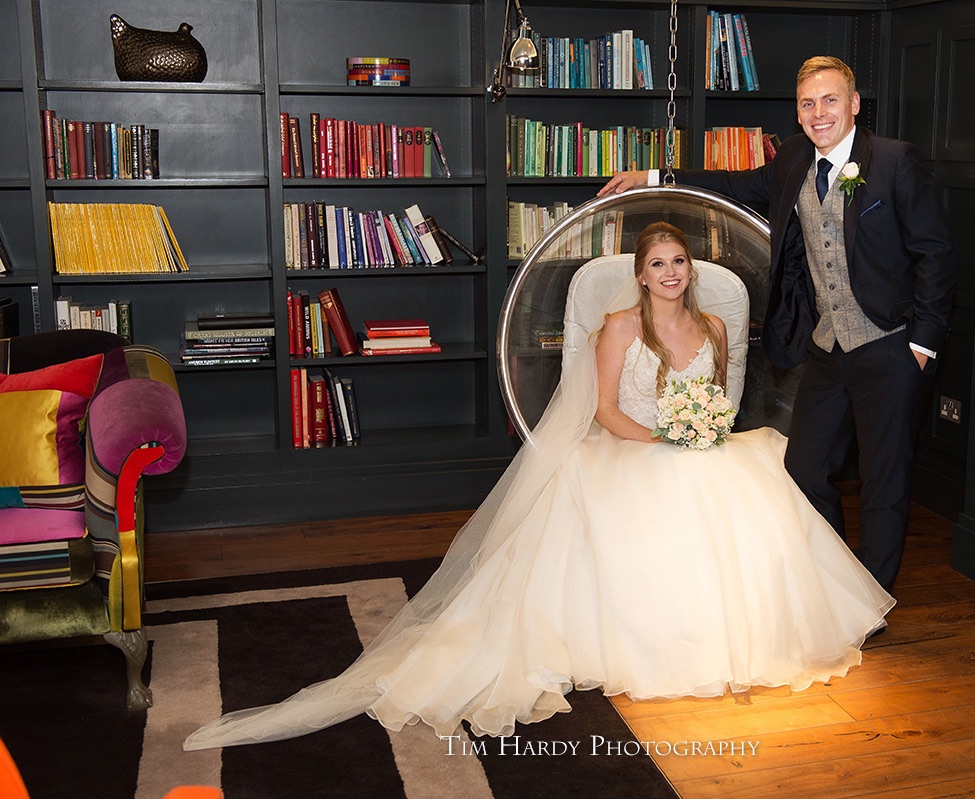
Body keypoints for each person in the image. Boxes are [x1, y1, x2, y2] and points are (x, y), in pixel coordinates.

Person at [184, 222, 893, 750]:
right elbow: (608, 411)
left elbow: (716, 398)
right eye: (657, 263)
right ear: (641, 274)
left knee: (755, 491)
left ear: (689, 270)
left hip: (700, 448)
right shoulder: (619, 326)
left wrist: (702, 432)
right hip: (632, 448)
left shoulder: (713, 324)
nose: (671, 272)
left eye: (679, 261)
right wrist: (667, 438)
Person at [600, 56, 957, 593]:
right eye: (808, 104)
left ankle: (872, 598)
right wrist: (652, 176)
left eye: (830, 100)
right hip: (825, 347)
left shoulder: (893, 161)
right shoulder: (792, 158)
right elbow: (730, 184)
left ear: (855, 105)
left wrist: (922, 344)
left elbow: (936, 254)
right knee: (805, 469)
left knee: (885, 482)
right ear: (797, 112)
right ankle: (838, 582)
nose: (819, 114)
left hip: (890, 346)